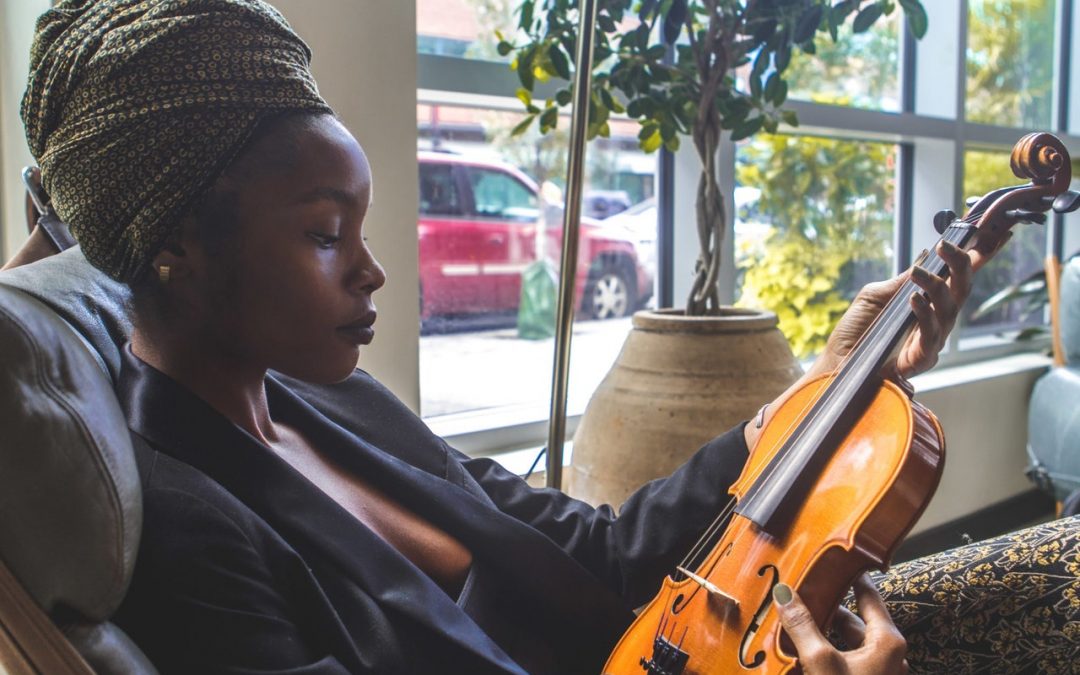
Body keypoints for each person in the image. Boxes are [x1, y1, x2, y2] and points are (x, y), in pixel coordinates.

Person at [13, 1, 1076, 673]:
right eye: (325, 236)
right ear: (174, 250)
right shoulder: (195, 542)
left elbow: (593, 552)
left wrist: (812, 399)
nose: (373, 271)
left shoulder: (327, 401)